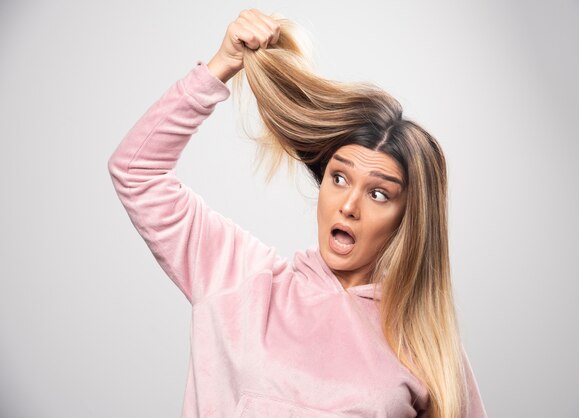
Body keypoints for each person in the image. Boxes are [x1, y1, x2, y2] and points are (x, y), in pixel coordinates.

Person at [107, 8, 487, 418]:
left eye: (377, 193)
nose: (348, 205)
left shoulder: (426, 342)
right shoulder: (241, 280)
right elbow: (136, 173)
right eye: (339, 178)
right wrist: (220, 67)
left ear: (408, 218)